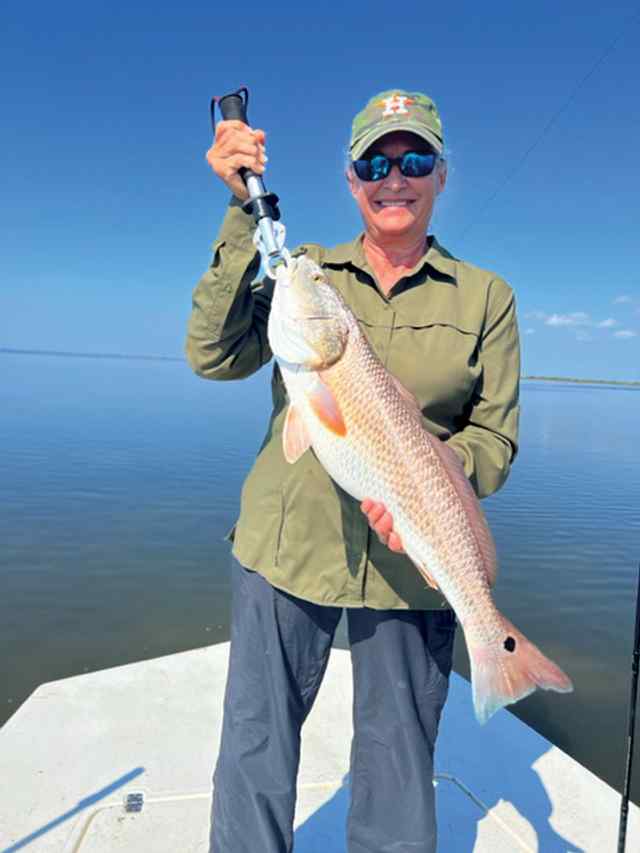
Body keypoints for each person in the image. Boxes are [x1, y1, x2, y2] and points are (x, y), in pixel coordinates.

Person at [185, 89, 520, 853]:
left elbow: (494, 443)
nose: (392, 176)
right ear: (350, 178)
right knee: (255, 751)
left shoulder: (488, 299)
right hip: (286, 546)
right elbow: (211, 355)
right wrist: (243, 213)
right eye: (374, 161)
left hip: (416, 558)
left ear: (441, 175)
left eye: (413, 159)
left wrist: (429, 481)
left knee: (399, 767)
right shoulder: (304, 273)